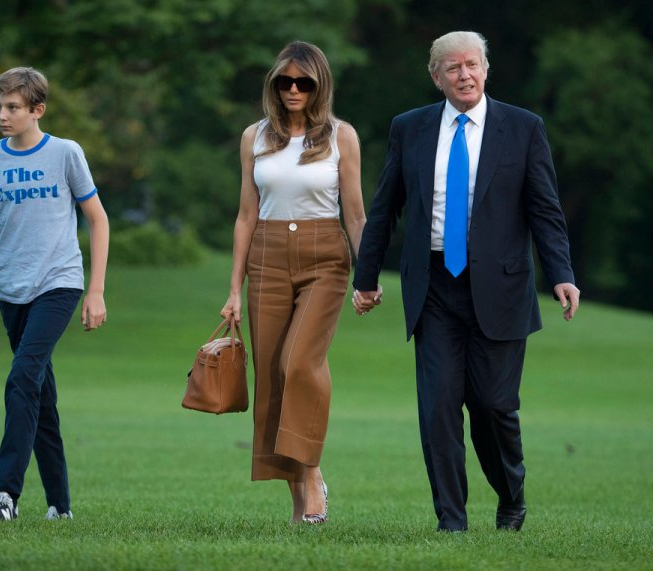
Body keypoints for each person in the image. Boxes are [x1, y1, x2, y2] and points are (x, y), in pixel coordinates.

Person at [352, 31, 580, 532]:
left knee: (494, 406)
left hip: (499, 289)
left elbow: (544, 211)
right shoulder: (408, 128)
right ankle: (451, 522)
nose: (464, 75)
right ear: (436, 77)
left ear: (485, 68)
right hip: (433, 287)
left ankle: (511, 494)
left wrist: (561, 274)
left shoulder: (523, 128)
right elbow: (385, 207)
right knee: (437, 411)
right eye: (452, 68)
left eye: (472, 65)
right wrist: (365, 278)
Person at [0, 66, 109, 521]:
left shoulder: (65, 153)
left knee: (22, 378)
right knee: (39, 394)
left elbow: (97, 219)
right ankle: (60, 506)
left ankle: (6, 497)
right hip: (10, 290)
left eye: (13, 107)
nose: (3, 115)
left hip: (58, 283)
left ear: (37, 109)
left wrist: (94, 291)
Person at [220, 41, 366, 524]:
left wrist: (366, 277)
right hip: (266, 255)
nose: (294, 90)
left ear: (320, 84)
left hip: (326, 257)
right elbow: (245, 215)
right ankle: (299, 494)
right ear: (274, 85)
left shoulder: (342, 136)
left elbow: (355, 214)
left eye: (304, 82)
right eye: (285, 82)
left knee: (298, 362)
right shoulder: (254, 137)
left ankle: (312, 472)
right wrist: (232, 290)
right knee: (272, 375)